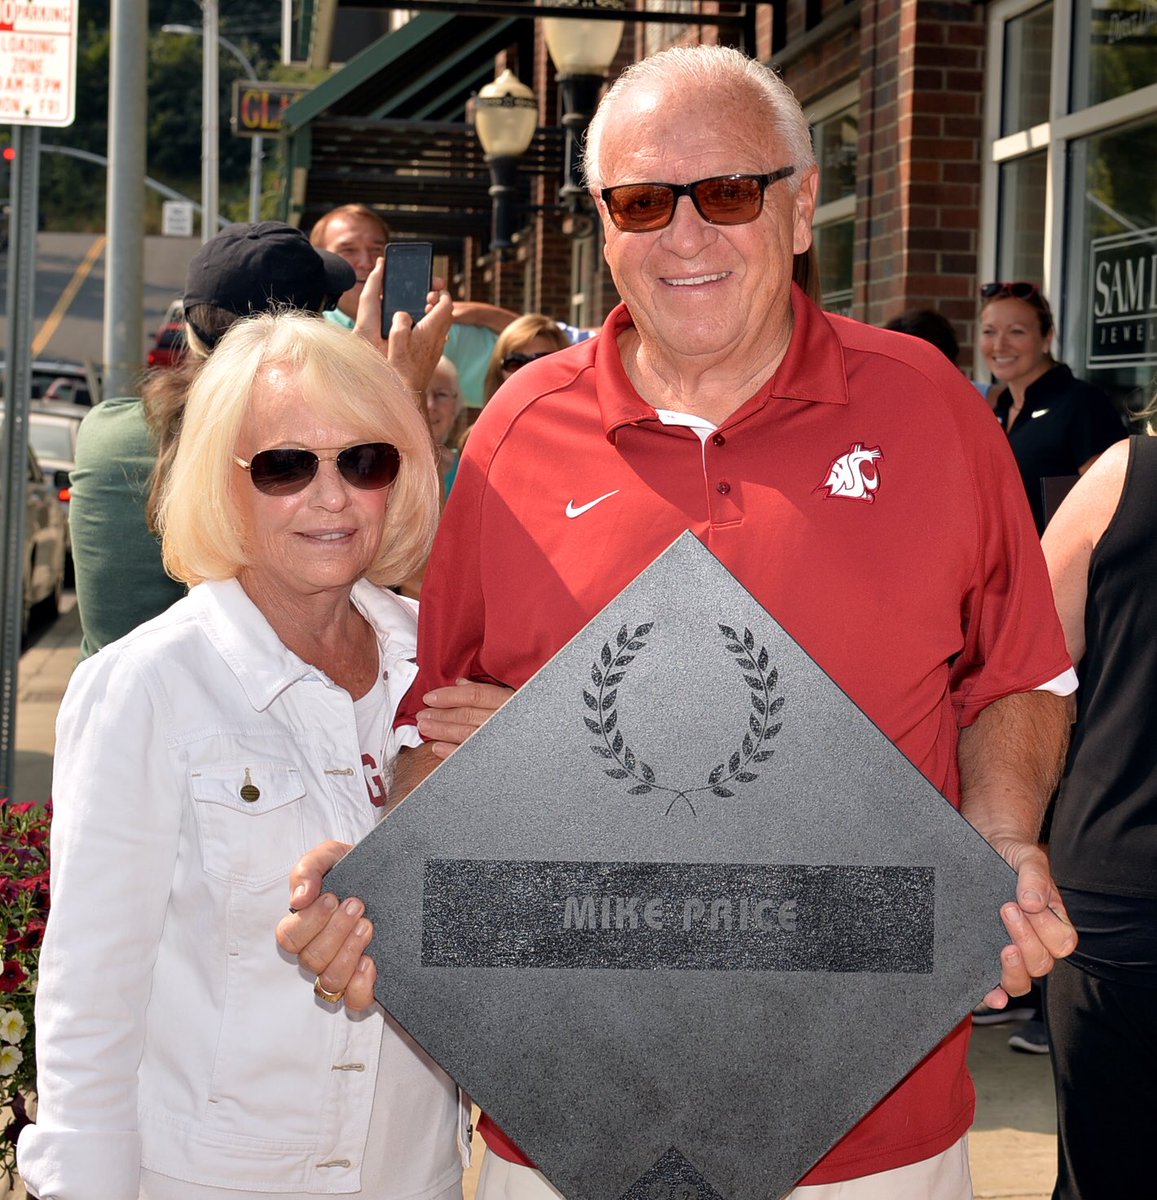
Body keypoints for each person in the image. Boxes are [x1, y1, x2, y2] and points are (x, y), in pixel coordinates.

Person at [279, 45, 1078, 1200]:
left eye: (729, 193)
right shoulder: (515, 434)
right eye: (643, 202)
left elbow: (1017, 674)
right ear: (604, 226)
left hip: (873, 1124)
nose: (684, 236)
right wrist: (384, 875)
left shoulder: (932, 413)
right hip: (566, 1122)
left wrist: (999, 838)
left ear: (802, 208)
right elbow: (433, 731)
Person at [17, 313, 507, 1200]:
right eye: (285, 466)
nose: (331, 497)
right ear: (224, 481)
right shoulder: (148, 687)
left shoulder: (440, 671)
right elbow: (90, 1004)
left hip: (414, 1178)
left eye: (364, 461)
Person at [69, 220, 358, 658]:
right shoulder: (325, 455)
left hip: (112, 711)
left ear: (189, 326)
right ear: (311, 331)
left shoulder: (105, 431)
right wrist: (389, 387)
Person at [1039, 423, 1157, 1200]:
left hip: (1112, 878)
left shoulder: (1123, 475)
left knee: (1106, 1170)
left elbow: (1029, 664)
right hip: (1112, 898)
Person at [308, 203, 521, 406]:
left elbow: (542, 342)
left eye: (377, 249)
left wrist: (480, 314)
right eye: (348, 250)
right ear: (323, 258)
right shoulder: (314, 336)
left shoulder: (428, 314)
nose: (366, 261)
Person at [978, 282, 1124, 533]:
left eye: (1016, 332)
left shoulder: (1082, 404)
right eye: (989, 332)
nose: (999, 345)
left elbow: (1113, 505)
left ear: (1047, 338)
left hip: (1060, 569)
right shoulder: (995, 412)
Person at [481, 314, 572, 404]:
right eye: (514, 363)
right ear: (499, 373)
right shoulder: (491, 418)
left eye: (540, 362)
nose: (526, 371)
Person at [425, 356, 468, 498]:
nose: (430, 405)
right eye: (419, 394)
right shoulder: (385, 470)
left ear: (455, 407)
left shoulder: (469, 469)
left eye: (441, 394)